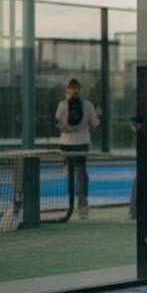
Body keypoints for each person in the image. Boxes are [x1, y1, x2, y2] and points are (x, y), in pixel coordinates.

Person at [54, 78, 100, 220]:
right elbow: (95, 125)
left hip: (66, 143)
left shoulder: (62, 105)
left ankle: (70, 206)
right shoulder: (88, 105)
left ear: (68, 89)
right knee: (81, 173)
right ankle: (82, 208)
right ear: (79, 89)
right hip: (82, 142)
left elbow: (58, 123)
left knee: (70, 174)